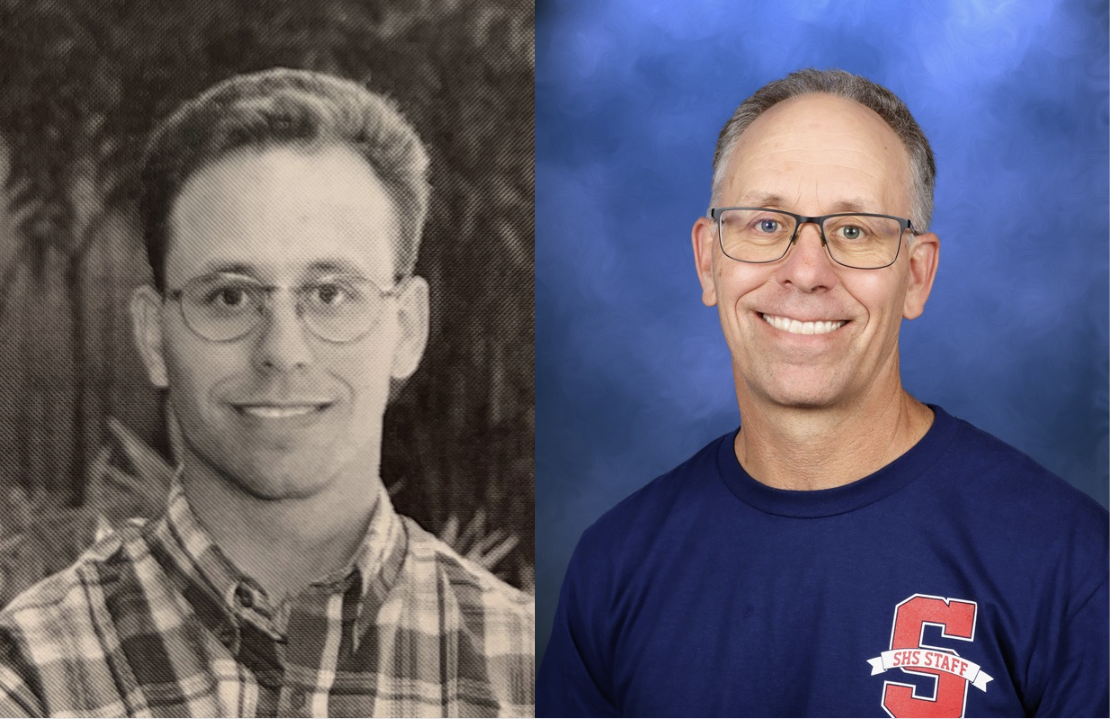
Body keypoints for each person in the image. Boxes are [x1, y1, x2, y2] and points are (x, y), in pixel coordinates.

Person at [537, 68, 1108, 718]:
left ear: (916, 276)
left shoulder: (1070, 563)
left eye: (855, 231)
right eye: (763, 224)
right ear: (707, 261)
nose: (805, 271)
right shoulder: (615, 564)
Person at [0, 68, 534, 717]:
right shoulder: (32, 674)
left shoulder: (534, 673)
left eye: (329, 293)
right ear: (152, 336)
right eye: (230, 295)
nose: (282, 349)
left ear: (407, 326)